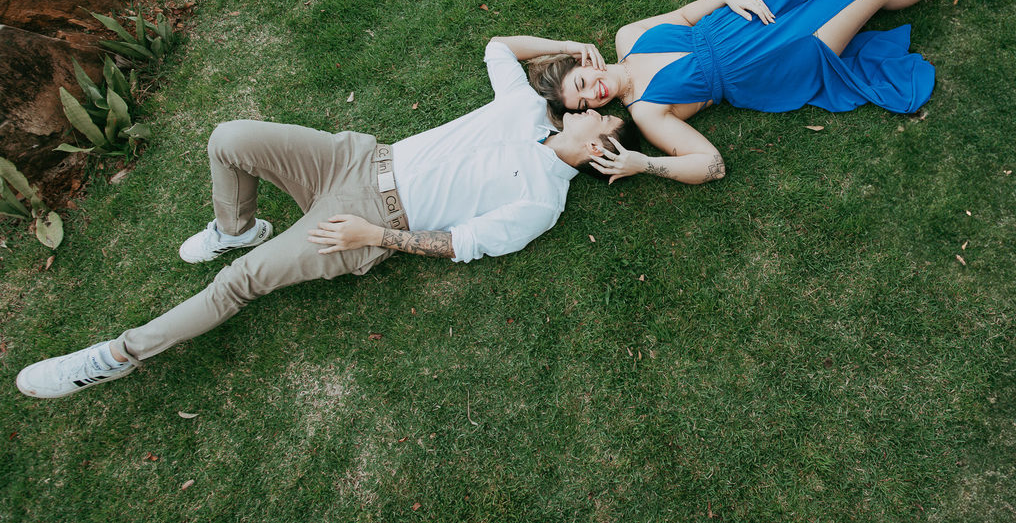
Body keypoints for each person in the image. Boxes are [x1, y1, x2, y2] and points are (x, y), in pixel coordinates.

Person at [16, 37, 637, 398]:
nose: (592, 101)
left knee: (238, 283)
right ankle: (237, 229)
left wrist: (378, 238)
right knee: (229, 137)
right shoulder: (525, 109)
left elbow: (461, 244)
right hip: (356, 159)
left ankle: (114, 357)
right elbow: (497, 45)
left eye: (598, 112)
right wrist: (565, 50)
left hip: (369, 218)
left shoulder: (541, 203)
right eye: (588, 93)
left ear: (600, 151)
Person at [525, 0, 995, 185]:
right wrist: (643, 164)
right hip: (772, 60)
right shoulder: (649, 113)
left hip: (746, 14)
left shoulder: (629, 36)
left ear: (585, 64)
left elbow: (686, 17)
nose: (596, 94)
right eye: (585, 105)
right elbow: (711, 165)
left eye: (583, 84)